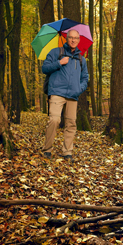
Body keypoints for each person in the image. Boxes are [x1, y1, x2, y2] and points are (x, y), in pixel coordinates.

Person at [41, 29, 88, 161]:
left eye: (76, 38)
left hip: (73, 95)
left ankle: (67, 152)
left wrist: (80, 88)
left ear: (79, 40)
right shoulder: (56, 52)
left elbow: (85, 77)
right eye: (71, 37)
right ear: (66, 39)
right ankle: (47, 150)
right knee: (54, 120)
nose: (73, 40)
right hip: (57, 92)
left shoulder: (81, 58)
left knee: (71, 123)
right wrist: (59, 63)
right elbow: (44, 68)